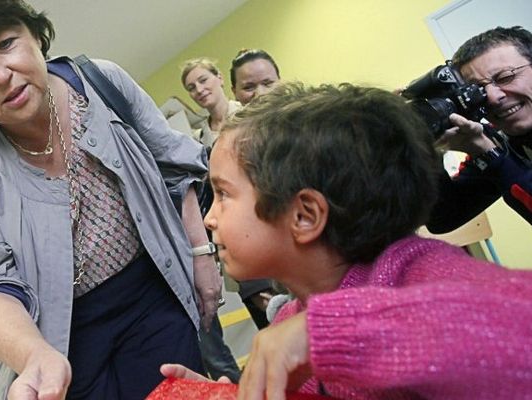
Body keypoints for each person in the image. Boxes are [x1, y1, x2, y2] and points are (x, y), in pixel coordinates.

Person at [161, 82, 532, 400]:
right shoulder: (290, 321)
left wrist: (327, 333)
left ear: (305, 215)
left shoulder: (414, 272)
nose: (209, 218)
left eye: (223, 194)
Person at [0, 1, 222, 399]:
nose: (0, 75)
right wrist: (34, 357)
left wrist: (200, 253)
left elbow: (175, 164)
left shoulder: (101, 82)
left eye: (4, 44)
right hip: (54, 336)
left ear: (34, 35)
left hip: (152, 300)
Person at [182, 57, 273, 329]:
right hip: (239, 237)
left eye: (203, 80)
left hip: (268, 221)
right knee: (267, 319)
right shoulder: (198, 140)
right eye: (191, 87)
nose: (199, 89)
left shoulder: (249, 112)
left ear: (221, 79)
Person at [425, 25, 532, 233]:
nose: (493, 97)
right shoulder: (501, 141)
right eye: (478, 90)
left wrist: (492, 156)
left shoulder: (493, 149)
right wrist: (429, 150)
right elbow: (443, 218)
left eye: (505, 77)